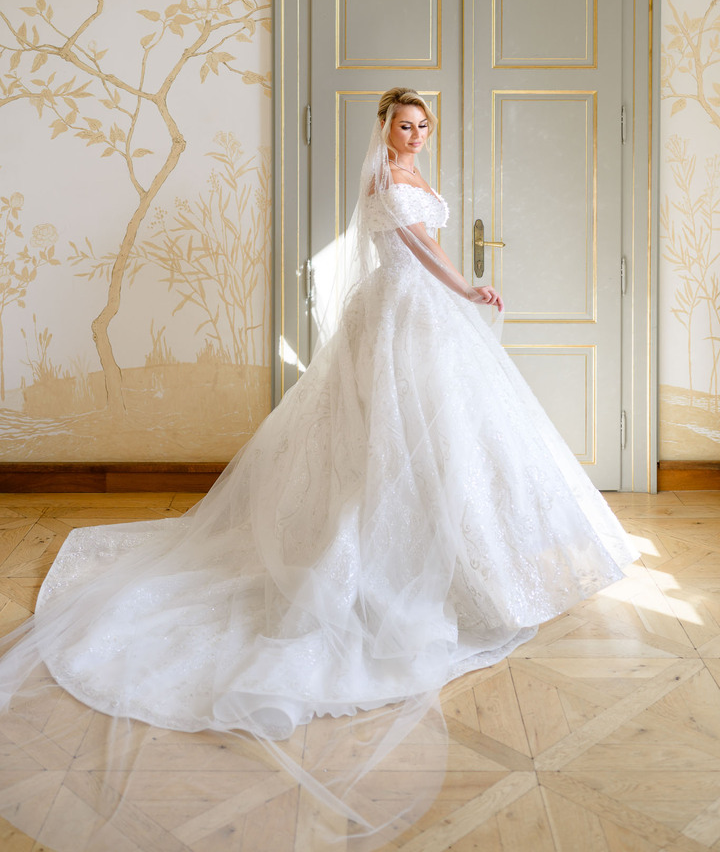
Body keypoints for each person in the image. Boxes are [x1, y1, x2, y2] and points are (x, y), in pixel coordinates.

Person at [0, 87, 636, 852]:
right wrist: (467, 286)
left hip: (413, 317)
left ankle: (462, 559)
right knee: (393, 449)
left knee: (439, 447)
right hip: (405, 314)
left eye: (424, 125)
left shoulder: (407, 179)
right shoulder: (390, 183)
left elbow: (426, 246)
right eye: (405, 124)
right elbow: (425, 255)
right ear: (384, 128)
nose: (415, 134)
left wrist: (462, 291)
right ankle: (380, 568)